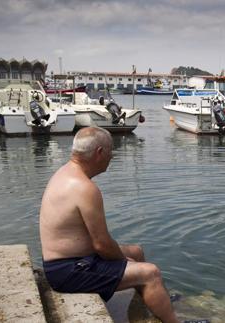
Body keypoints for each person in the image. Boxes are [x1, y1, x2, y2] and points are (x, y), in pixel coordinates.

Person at [39, 127, 180, 323]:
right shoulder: (85, 188)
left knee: (137, 252)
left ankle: (154, 298)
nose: (112, 156)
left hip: (70, 261)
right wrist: (124, 261)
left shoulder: (65, 173)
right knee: (151, 272)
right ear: (99, 153)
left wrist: (127, 258)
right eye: (110, 150)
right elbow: (101, 245)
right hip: (68, 271)